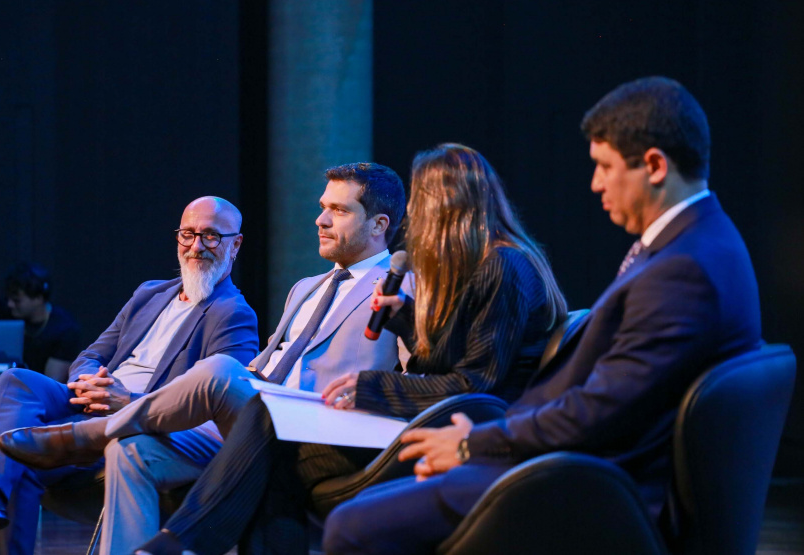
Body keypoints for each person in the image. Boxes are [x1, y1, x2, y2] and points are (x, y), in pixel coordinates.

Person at [322, 77, 763, 555]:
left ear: (654, 165)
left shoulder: (683, 271)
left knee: (351, 525)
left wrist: (477, 445)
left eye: (605, 167)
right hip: (566, 462)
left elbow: (598, 410)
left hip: (590, 485)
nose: (596, 184)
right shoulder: (698, 245)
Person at [123, 144, 567, 555]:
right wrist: (408, 324)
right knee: (268, 428)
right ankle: (180, 542)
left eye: (422, 201)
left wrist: (372, 388)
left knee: (269, 432)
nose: (413, 215)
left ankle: (179, 542)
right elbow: (449, 365)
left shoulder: (505, 266)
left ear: (449, 204)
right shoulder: (475, 269)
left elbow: (477, 385)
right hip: (430, 415)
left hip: (464, 430)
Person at [0, 162, 413, 554]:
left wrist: (368, 396)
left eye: (338, 210)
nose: (320, 220)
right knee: (132, 450)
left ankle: (89, 434)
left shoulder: (403, 286)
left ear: (379, 225)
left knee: (218, 368)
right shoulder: (306, 286)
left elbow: (419, 377)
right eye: (323, 208)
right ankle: (107, 442)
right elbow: (270, 362)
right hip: (251, 419)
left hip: (313, 427)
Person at [0, 196, 259, 555]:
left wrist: (126, 402)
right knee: (16, 381)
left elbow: (215, 407)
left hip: (138, 423)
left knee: (18, 460)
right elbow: (92, 354)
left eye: (211, 236)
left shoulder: (233, 314)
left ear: (236, 245)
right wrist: (90, 381)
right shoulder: (149, 293)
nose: (197, 246)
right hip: (88, 402)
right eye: (188, 234)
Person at [0, 262, 82, 382]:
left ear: (38, 298)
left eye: (17, 301)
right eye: (8, 299)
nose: (10, 304)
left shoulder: (64, 329)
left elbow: (51, 383)